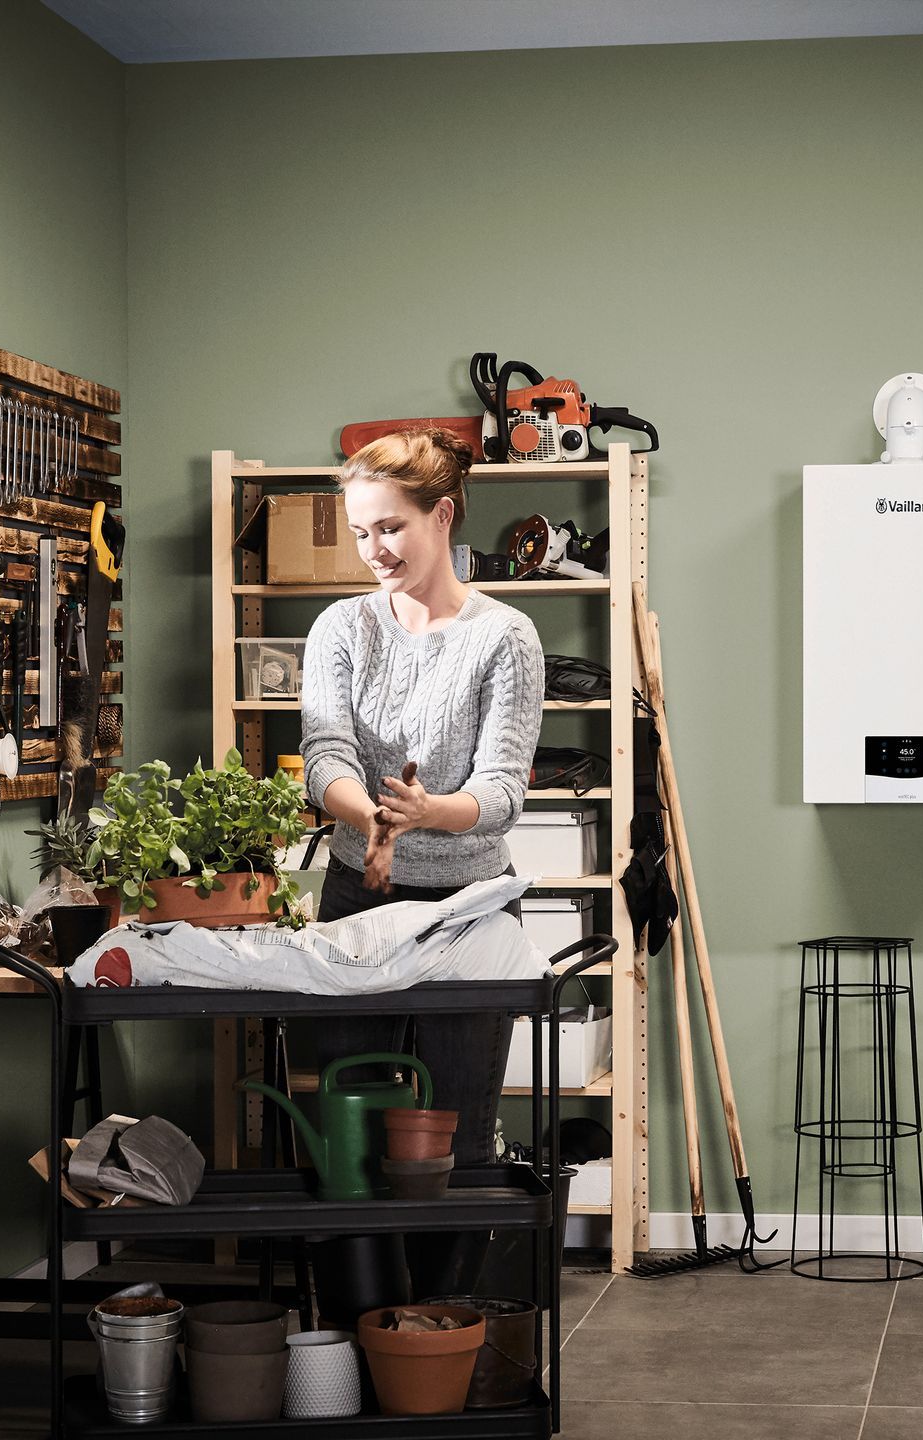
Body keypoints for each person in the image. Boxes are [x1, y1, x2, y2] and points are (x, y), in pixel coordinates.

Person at [300, 427, 544, 1300]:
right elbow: (324, 754)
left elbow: (503, 790)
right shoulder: (340, 628)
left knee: (458, 1131)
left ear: (443, 516)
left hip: (470, 910)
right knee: (348, 1119)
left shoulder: (506, 637)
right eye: (361, 531)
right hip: (357, 897)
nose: (374, 551)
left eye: (392, 527)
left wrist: (427, 813)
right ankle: (362, 1334)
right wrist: (374, 818)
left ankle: (443, 1332)